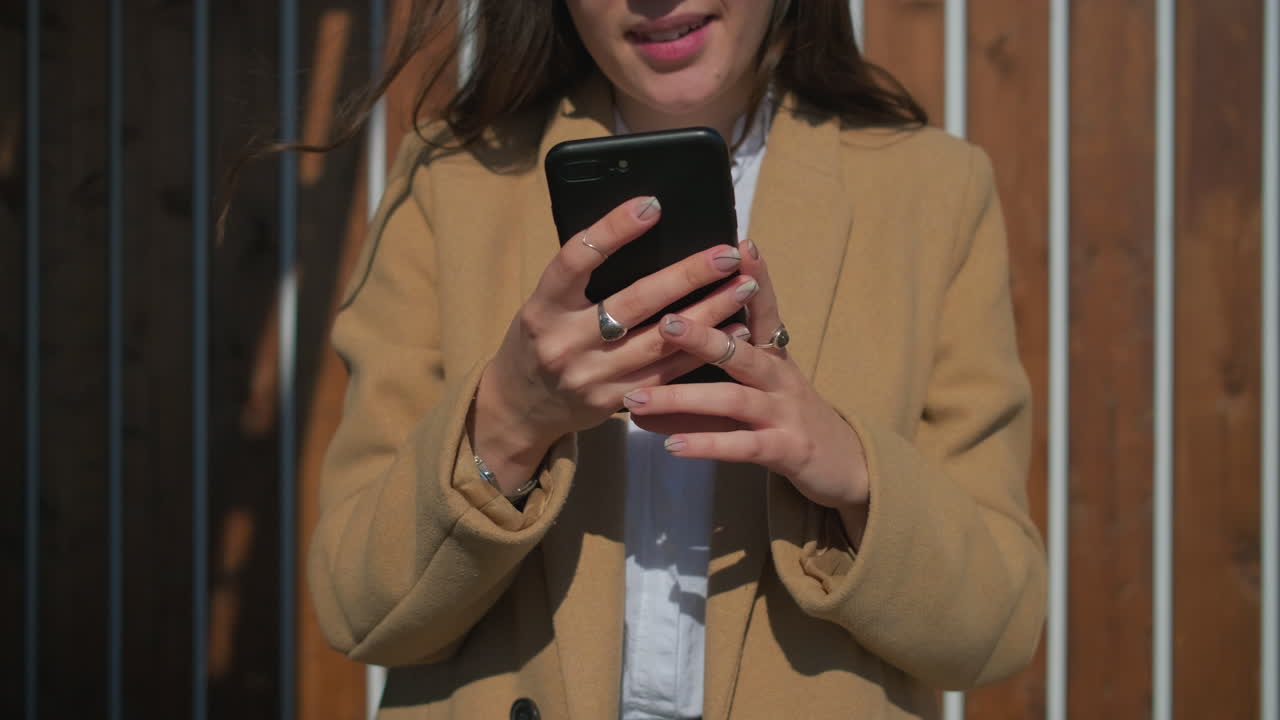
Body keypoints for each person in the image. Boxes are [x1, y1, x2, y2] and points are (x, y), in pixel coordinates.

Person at [308, 2, 1047, 718]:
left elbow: (996, 632)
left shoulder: (933, 189)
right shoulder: (448, 181)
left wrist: (854, 476)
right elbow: (357, 613)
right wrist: (507, 422)